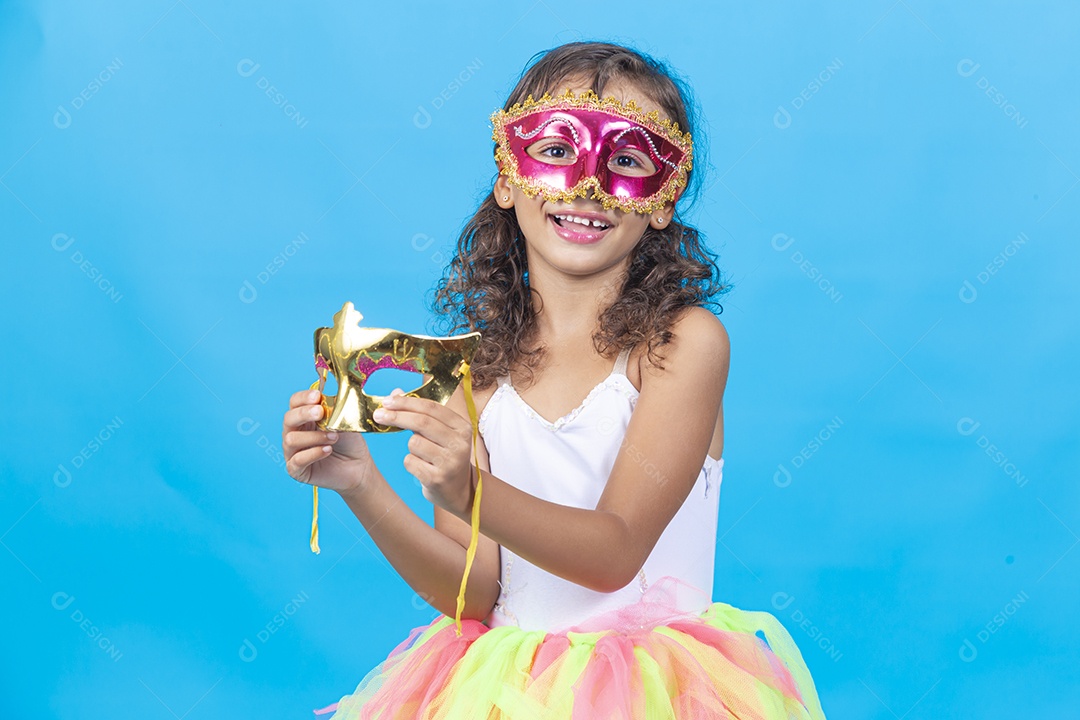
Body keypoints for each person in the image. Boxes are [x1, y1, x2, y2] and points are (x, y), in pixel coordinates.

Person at [282, 40, 827, 719]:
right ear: (507, 179)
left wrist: (470, 490)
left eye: (627, 159)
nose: (586, 185)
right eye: (557, 150)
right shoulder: (477, 373)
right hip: (505, 696)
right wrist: (361, 483)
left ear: (664, 197)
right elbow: (472, 595)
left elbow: (615, 552)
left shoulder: (679, 346)